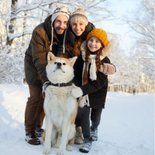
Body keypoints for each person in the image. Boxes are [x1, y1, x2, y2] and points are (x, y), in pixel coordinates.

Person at [24, 6, 70, 145]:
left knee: (46, 97)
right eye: (58, 21)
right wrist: (48, 82)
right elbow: (39, 59)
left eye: (64, 22)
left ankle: (38, 127)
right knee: (36, 96)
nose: (61, 25)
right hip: (34, 65)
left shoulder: (67, 35)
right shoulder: (40, 32)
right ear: (53, 20)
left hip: (51, 70)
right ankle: (29, 130)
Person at [71, 28, 116, 153]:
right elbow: (76, 74)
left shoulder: (104, 60)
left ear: (102, 45)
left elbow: (100, 82)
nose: (93, 44)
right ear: (87, 41)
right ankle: (87, 139)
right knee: (83, 114)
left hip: (97, 94)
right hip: (83, 94)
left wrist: (82, 90)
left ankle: (94, 128)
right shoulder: (81, 57)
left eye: (97, 41)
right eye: (91, 40)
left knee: (95, 118)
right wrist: (76, 87)